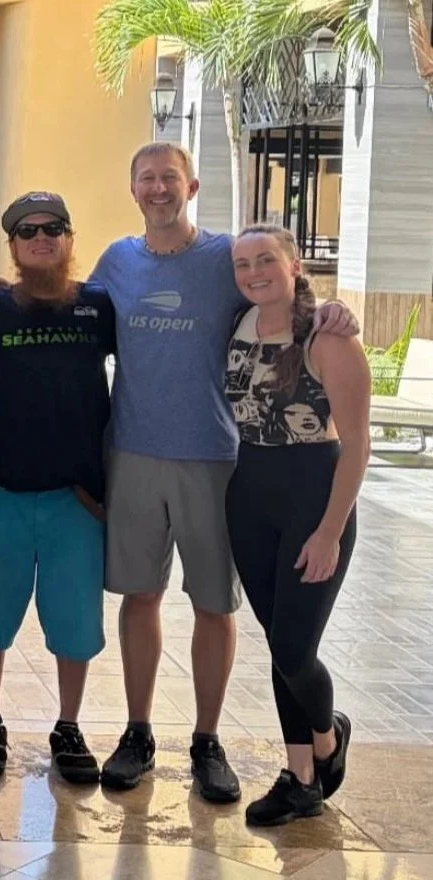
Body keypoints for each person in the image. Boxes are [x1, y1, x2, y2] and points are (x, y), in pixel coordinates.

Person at [88, 142, 357, 801]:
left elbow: (279, 293)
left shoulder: (224, 257)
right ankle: (137, 732)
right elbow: (67, 307)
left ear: (192, 186)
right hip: (132, 452)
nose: (158, 188)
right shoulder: (116, 260)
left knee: (214, 603)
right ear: (132, 189)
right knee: (140, 597)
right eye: (146, 178)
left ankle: (207, 740)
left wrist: (332, 309)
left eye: (169, 178)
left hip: (216, 460)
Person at [0, 193, 112, 785]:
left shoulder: (99, 307)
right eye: (28, 231)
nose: (41, 238)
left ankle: (68, 725)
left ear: (70, 239)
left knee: (75, 623)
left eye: (53, 228)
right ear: (14, 247)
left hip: (78, 498)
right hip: (5, 487)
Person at [224, 225, 368, 826]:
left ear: (294, 265)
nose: (254, 272)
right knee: (279, 642)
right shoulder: (238, 321)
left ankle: (327, 737)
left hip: (313, 497)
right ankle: (300, 777)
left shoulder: (326, 336)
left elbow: (357, 444)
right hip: (248, 496)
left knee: (293, 647)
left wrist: (330, 531)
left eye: (266, 260)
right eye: (242, 264)